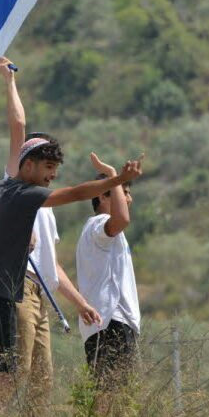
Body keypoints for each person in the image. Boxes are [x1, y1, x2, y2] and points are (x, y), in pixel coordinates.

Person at [0, 134, 141, 397]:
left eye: (56, 169)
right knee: (7, 374)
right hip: (0, 290)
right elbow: (75, 193)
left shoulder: (1, 191)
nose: (53, 175)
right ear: (27, 165)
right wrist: (117, 179)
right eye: (48, 167)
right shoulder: (23, 193)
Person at [0, 57, 100, 403]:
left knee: (42, 383)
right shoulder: (14, 186)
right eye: (40, 158)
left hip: (41, 294)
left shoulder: (46, 207)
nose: (49, 168)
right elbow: (18, 126)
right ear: (26, 162)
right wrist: (10, 82)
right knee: (17, 374)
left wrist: (80, 301)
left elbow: (51, 264)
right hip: (18, 286)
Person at [75, 158, 141, 386]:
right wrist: (113, 174)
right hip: (110, 321)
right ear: (103, 196)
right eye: (123, 192)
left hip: (113, 323)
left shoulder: (101, 230)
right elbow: (122, 219)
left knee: (117, 398)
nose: (128, 199)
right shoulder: (99, 224)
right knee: (110, 397)